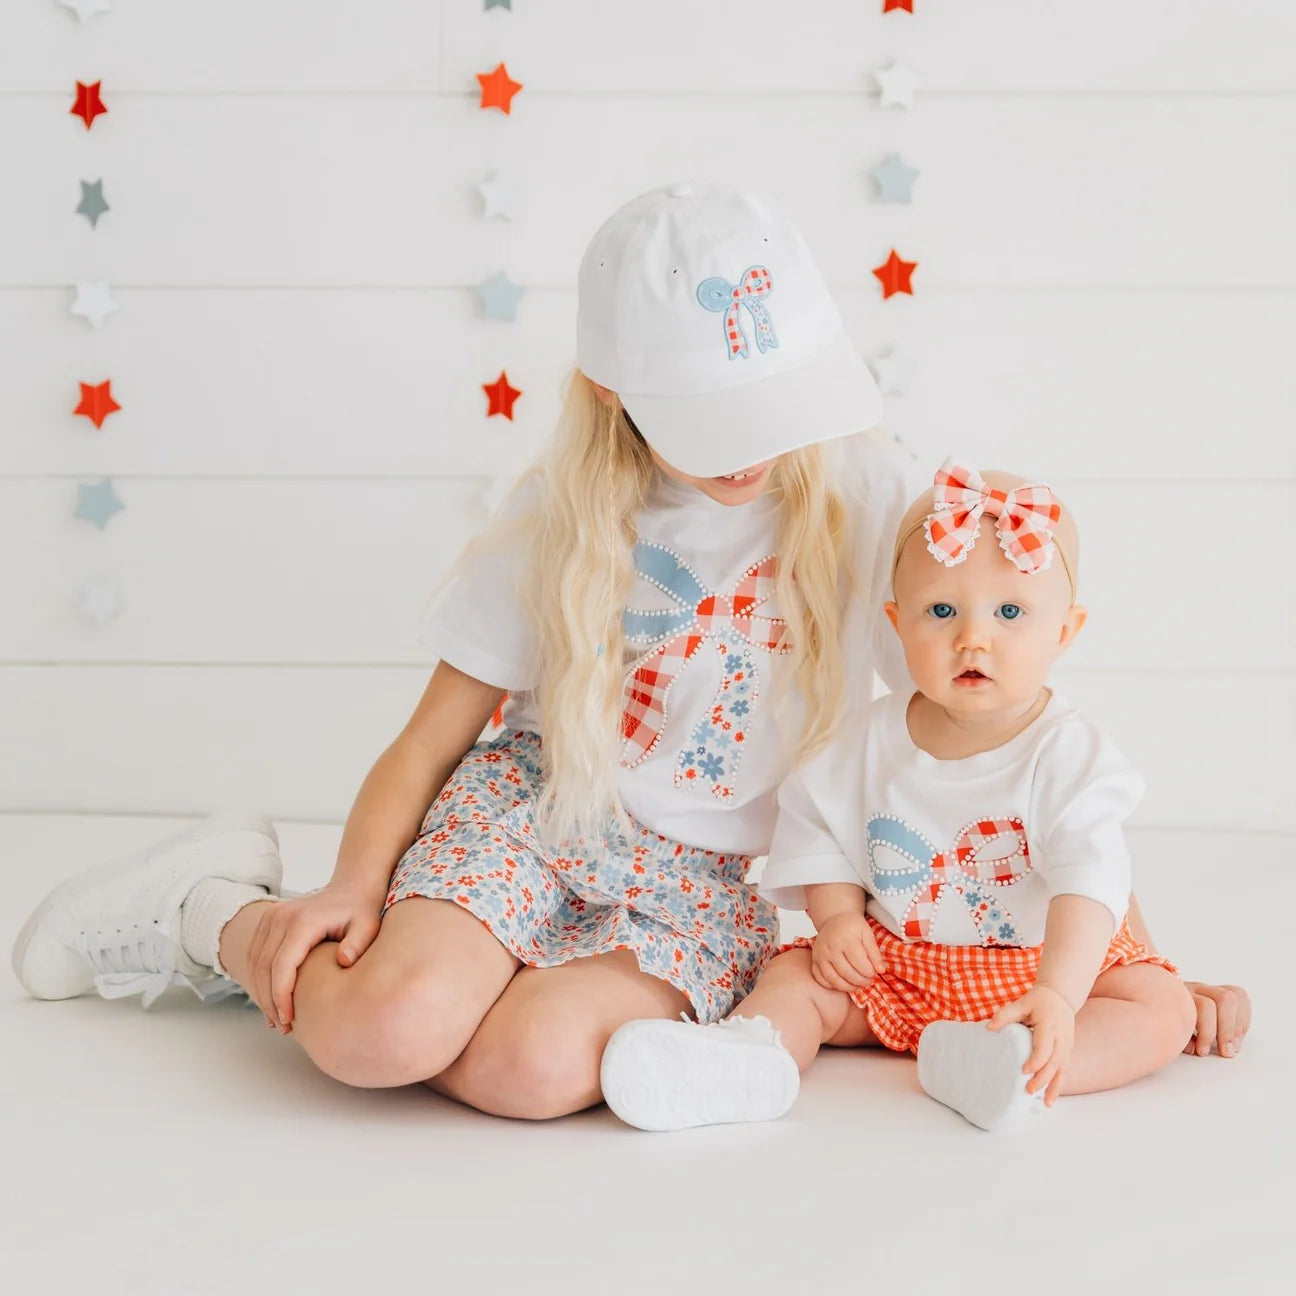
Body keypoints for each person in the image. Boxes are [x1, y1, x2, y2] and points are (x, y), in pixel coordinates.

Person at [12, 181, 919, 1119]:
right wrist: (355, 885)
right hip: (533, 812)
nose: (747, 452)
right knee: (385, 1031)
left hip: (692, 888)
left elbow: (984, 632)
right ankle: (209, 909)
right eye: (712, 420)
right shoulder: (566, 514)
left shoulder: (867, 488)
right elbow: (428, 740)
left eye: (770, 406)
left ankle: (457, 993)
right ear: (614, 390)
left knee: (533, 1073)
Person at [600, 463, 1232, 1133]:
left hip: (1036, 971)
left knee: (1160, 1007)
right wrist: (839, 920)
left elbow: (1091, 884)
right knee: (800, 982)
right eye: (941, 611)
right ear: (898, 625)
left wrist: (1057, 994)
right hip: (896, 968)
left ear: (1065, 632)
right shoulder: (866, 738)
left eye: (1010, 612)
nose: (973, 638)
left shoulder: (1069, 755)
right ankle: (743, 1063)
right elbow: (818, 830)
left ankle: (1020, 1069)